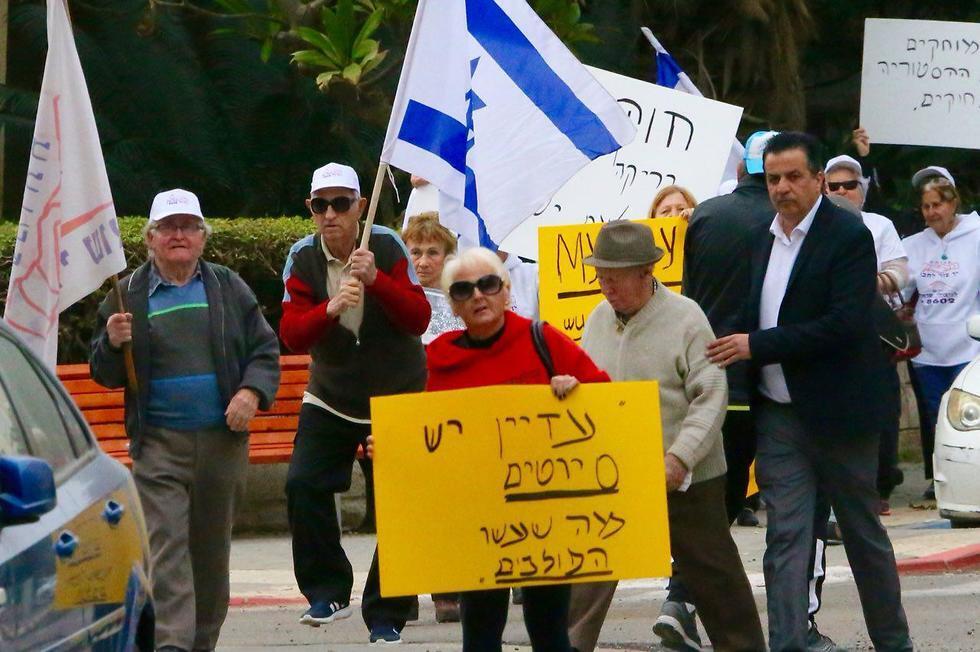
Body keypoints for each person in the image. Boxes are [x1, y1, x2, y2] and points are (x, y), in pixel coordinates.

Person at [707, 132, 913, 652]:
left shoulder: (848, 236)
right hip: (779, 412)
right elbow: (748, 312)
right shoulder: (760, 237)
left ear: (818, 179)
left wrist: (758, 345)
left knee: (863, 535)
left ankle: (894, 643)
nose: (783, 188)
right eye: (773, 178)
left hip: (841, 412)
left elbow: (842, 325)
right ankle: (788, 643)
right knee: (786, 538)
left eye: (794, 176)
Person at [91, 188, 281, 652]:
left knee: (210, 555)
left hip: (222, 442)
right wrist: (113, 343)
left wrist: (251, 392)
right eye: (169, 228)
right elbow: (105, 373)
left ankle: (201, 642)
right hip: (158, 444)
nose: (179, 235)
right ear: (150, 238)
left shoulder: (227, 286)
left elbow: (264, 349)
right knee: (167, 548)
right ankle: (172, 644)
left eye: (189, 227)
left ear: (202, 237)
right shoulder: (128, 294)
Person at [567, 220, 766, 652]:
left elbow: (712, 392)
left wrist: (680, 459)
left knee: (716, 577)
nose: (605, 286)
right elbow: (588, 381)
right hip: (616, 472)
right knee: (588, 576)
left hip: (688, 475)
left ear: (645, 273)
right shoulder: (598, 319)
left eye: (614, 278)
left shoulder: (686, 318)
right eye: (600, 276)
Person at [423, 246, 609, 651]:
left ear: (506, 290)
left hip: (543, 516)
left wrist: (576, 390)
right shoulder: (437, 359)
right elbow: (419, 434)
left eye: (488, 284)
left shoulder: (544, 340)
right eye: (462, 290)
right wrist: (384, 447)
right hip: (476, 517)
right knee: (480, 632)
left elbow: (606, 403)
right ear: (452, 305)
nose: (477, 296)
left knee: (549, 630)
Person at [280, 162, 431, 644]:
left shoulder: (385, 244)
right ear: (311, 210)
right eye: (319, 205)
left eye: (341, 203)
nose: (330, 214)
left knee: (401, 505)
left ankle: (387, 614)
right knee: (303, 483)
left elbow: (419, 317)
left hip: (397, 391)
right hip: (332, 395)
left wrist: (378, 281)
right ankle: (327, 590)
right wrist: (330, 308)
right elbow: (291, 335)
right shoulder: (301, 257)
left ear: (359, 206)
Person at [824, 154, 909, 513]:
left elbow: (901, 270)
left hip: (874, 332)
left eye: (850, 185)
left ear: (862, 188)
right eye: (835, 185)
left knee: (883, 407)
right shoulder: (813, 225)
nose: (843, 191)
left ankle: (881, 484)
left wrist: (871, 281)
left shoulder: (880, 225)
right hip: (831, 333)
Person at [902, 175, 980, 501]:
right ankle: (941, 479)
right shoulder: (913, 246)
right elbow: (901, 293)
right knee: (936, 418)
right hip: (929, 352)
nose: (932, 212)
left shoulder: (976, 236)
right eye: (926, 206)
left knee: (969, 418)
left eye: (938, 204)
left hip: (968, 347)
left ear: (953, 203)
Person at [403, 212, 464, 345]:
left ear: (447, 257)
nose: (423, 263)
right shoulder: (395, 298)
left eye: (432, 253)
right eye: (416, 253)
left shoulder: (463, 302)